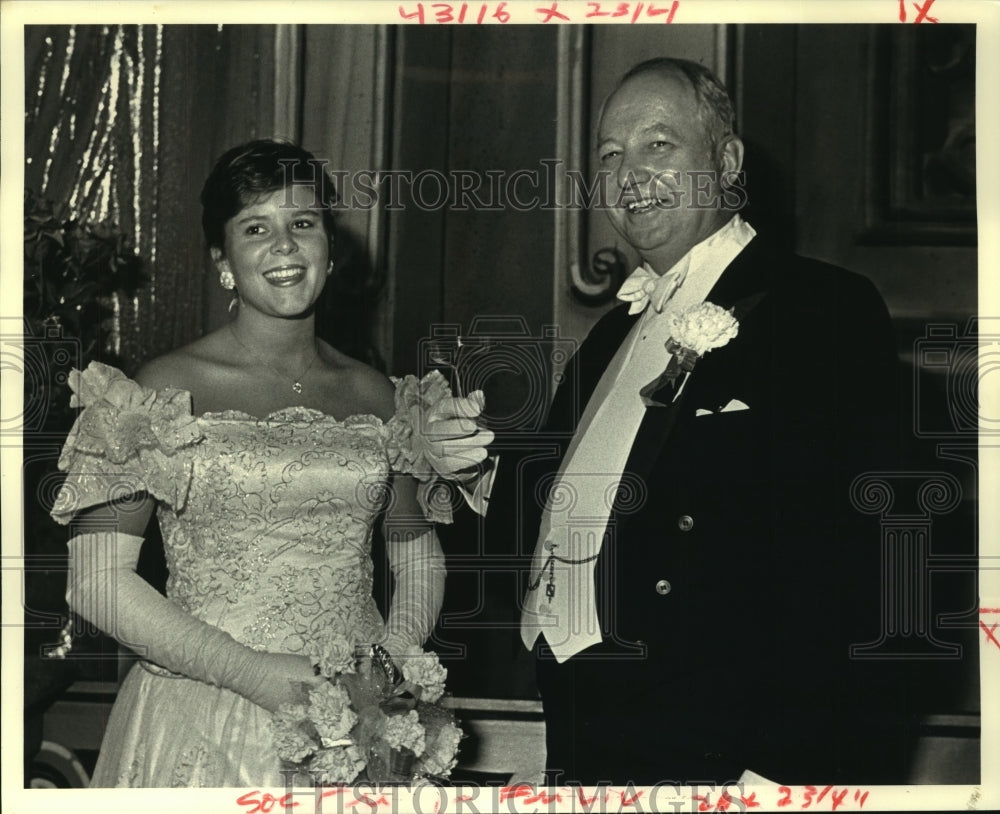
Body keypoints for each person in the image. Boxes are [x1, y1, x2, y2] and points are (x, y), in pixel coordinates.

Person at [49, 139, 493, 787]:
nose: (284, 246)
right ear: (222, 260)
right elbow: (92, 579)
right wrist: (252, 672)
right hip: (207, 715)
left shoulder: (382, 395)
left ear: (329, 249)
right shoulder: (162, 389)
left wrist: (394, 658)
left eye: (302, 224)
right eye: (256, 228)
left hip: (360, 726)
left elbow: (415, 551)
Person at [518, 59, 913, 785]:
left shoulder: (818, 308)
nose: (629, 172)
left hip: (724, 753)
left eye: (657, 145)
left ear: (726, 161)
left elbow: (865, 557)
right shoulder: (608, 336)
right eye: (610, 155)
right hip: (583, 731)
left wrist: (784, 769)